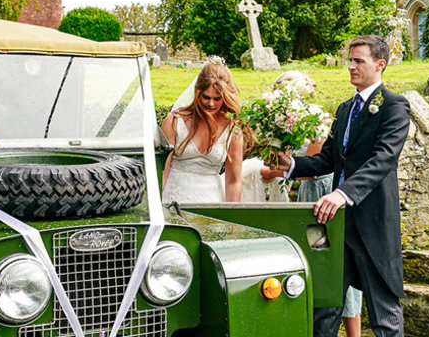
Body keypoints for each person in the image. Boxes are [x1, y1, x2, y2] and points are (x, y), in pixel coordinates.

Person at [274, 35, 410, 337]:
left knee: (384, 314)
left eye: (358, 60)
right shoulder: (345, 108)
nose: (351, 66)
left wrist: (342, 193)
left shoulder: (394, 107)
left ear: (380, 64)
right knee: (324, 308)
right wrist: (292, 166)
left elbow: (382, 160)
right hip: (335, 227)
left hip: (373, 224)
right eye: (350, 60)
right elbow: (329, 159)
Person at [270, 70, 365, 337]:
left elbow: (316, 167)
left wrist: (273, 171)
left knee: (332, 266)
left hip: (323, 193)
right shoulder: (290, 122)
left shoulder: (317, 121)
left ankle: (353, 333)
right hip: (307, 194)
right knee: (316, 266)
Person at [161, 62, 247, 204]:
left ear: (225, 97)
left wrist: (233, 221)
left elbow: (233, 181)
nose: (211, 104)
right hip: (174, 199)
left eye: (217, 99)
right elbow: (163, 171)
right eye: (206, 97)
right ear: (197, 92)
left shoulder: (233, 129)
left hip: (212, 200)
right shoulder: (174, 121)